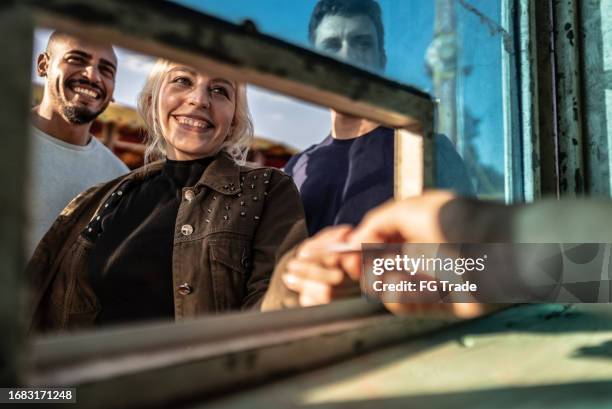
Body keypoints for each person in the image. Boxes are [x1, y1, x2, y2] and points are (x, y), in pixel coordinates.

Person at [26, 59, 307, 333]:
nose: (199, 99)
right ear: (152, 102)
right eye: (182, 80)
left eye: (220, 90)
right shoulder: (102, 198)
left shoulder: (268, 190)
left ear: (233, 120)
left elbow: (276, 306)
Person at [284, 0, 474, 236]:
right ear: (313, 65)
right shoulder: (296, 168)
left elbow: (473, 259)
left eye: (362, 43)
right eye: (332, 46)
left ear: (381, 61)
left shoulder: (431, 151)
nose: (348, 55)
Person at [28, 31, 129, 258]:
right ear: (44, 65)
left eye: (106, 70)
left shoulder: (118, 180)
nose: (92, 76)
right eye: (77, 59)